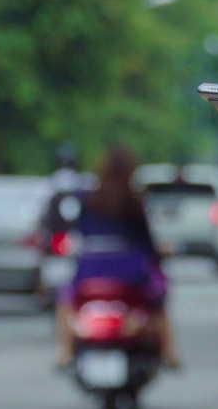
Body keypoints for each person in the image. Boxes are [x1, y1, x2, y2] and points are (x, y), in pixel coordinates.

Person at [53, 143, 180, 371]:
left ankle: (64, 351)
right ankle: (169, 351)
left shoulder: (86, 198)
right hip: (129, 270)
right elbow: (146, 241)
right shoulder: (135, 200)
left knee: (66, 299)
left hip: (90, 269)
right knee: (157, 300)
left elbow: (78, 231)